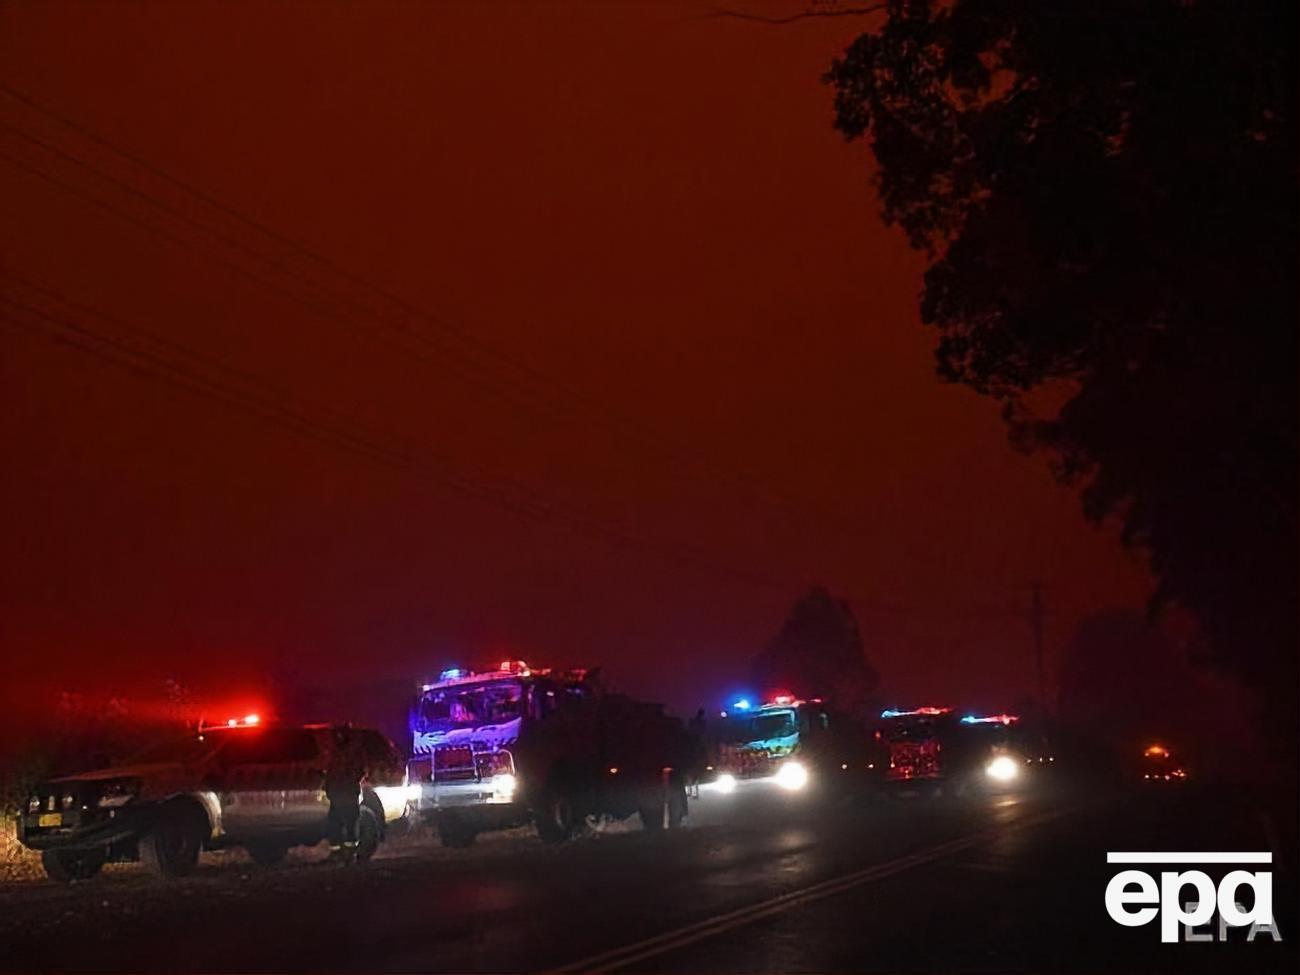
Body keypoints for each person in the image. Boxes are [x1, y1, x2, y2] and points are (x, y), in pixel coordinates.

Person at [324, 727, 366, 862]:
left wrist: (347, 782)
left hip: (347, 793)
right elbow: (330, 772)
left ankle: (350, 854)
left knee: (349, 825)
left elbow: (360, 771)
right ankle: (337, 853)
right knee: (334, 824)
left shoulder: (353, 753)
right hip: (338, 793)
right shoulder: (336, 753)